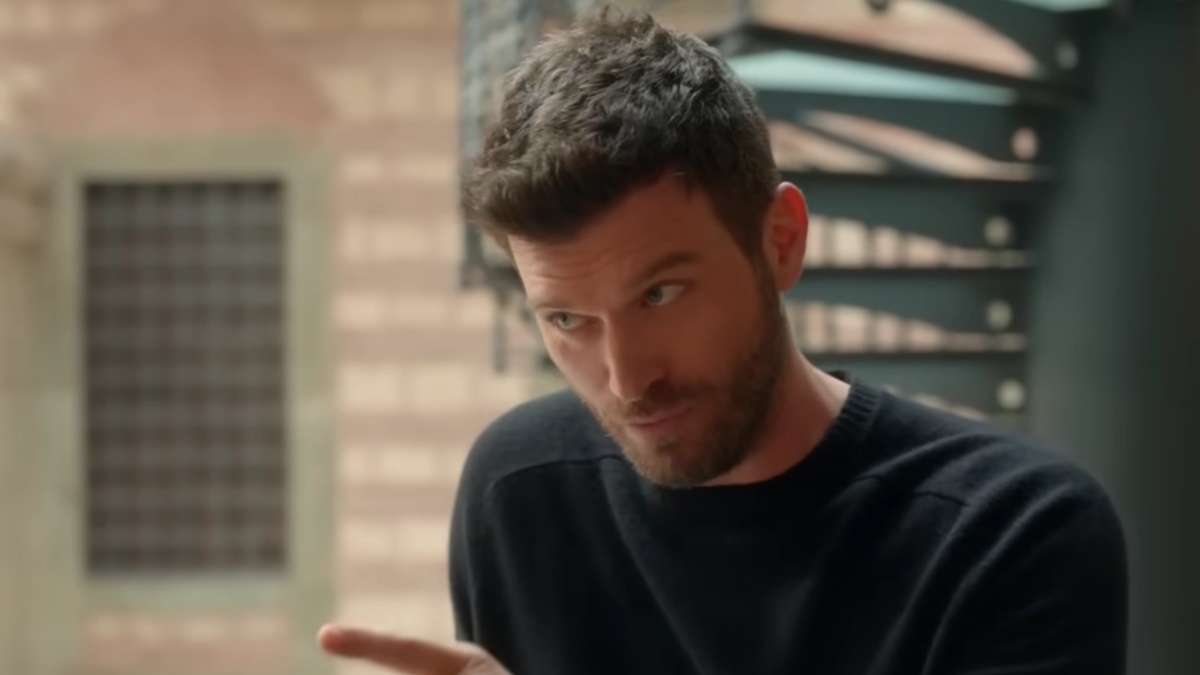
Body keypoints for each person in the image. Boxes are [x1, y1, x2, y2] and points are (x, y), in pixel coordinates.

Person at [319, 6, 1128, 675]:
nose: (626, 378)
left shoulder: (1009, 531)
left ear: (781, 241)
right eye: (566, 319)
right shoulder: (523, 491)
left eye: (659, 294)